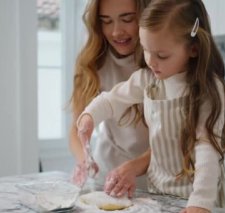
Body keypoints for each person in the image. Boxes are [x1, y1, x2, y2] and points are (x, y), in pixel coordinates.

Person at [77, 0, 225, 212]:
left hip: (195, 198)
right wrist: (89, 117)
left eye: (162, 55)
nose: (150, 61)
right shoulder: (147, 78)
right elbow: (112, 100)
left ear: (193, 49)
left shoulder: (207, 89)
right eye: (146, 50)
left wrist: (200, 203)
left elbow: (206, 147)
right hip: (158, 193)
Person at [69, 0, 151, 189]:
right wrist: (85, 160)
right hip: (107, 175)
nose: (116, 32)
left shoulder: (160, 60)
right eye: (106, 21)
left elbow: (175, 139)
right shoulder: (92, 62)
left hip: (156, 177)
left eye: (128, 19)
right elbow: (76, 130)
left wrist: (135, 166)